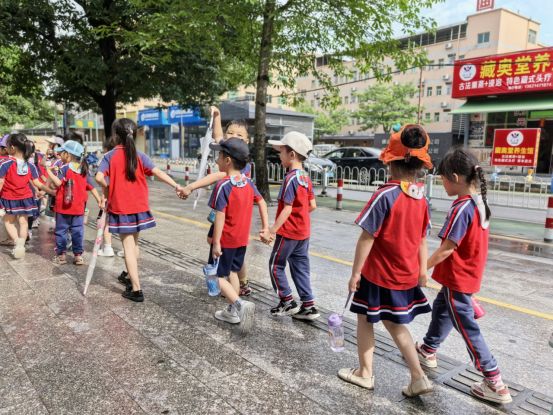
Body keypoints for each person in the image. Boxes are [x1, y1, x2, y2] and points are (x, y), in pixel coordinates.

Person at [337, 125, 434, 397]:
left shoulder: (385, 194)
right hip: (405, 275)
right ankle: (418, 376)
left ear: (390, 162)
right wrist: (422, 273)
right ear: (417, 165)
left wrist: (355, 274)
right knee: (395, 325)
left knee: (365, 320)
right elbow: (423, 240)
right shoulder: (421, 198)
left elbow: (367, 239)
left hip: (377, 275)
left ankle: (365, 374)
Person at [416, 147, 512, 404]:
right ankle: (428, 349)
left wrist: (421, 268)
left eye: (443, 178)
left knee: (467, 328)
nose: (441, 182)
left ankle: (495, 382)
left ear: (456, 178)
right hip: (465, 275)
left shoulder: (461, 207)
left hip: (458, 277)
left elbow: (448, 247)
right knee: (442, 310)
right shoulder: (479, 202)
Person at [96, 118, 183, 302]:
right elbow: (158, 173)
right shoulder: (140, 156)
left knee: (127, 246)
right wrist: (176, 185)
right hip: (139, 206)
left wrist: (110, 186)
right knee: (134, 244)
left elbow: (98, 177)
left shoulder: (109, 156)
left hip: (122, 208)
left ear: (115, 136)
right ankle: (129, 275)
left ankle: (135, 289)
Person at [179, 107, 254, 296]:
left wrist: (191, 186)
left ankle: (237, 284)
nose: (231, 136)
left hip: (229, 216)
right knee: (217, 242)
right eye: (230, 132)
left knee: (223, 247)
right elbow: (217, 135)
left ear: (246, 141)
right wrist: (218, 116)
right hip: (227, 211)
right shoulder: (230, 151)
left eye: (238, 134)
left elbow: (219, 175)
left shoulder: (240, 163)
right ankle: (238, 281)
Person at [207, 137, 269, 334]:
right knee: (233, 272)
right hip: (242, 240)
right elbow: (262, 202)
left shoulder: (223, 185)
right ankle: (232, 311)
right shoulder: (248, 183)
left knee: (218, 278)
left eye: (219, 155)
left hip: (226, 240)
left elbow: (220, 214)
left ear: (228, 161)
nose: (217, 159)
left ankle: (240, 305)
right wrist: (266, 227)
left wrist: (216, 242)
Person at [260, 132, 319, 320]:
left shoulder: (290, 178)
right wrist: (299, 218)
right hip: (303, 234)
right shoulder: (305, 178)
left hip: (289, 233)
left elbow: (287, 209)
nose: (279, 155)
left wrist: (271, 231)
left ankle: (287, 301)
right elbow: (312, 206)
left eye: (282, 151)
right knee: (300, 267)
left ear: (292, 154)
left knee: (275, 266)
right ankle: (308, 306)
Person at [46, 141, 101, 265]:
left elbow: (59, 183)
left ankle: (61, 255)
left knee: (61, 230)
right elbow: (91, 187)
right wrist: (99, 200)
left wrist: (49, 171)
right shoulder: (84, 170)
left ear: (68, 155)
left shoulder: (64, 168)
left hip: (63, 207)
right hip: (79, 208)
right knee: (77, 231)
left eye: (62, 153)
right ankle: (78, 256)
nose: (60, 155)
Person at [0, 134, 45, 258]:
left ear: (12, 148)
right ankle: (21, 244)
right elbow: (37, 182)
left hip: (9, 198)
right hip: (26, 198)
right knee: (24, 224)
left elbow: (1, 183)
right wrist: (50, 191)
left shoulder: (5, 163)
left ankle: (17, 243)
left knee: (9, 223)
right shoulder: (30, 164)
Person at [97, 136, 123, 257]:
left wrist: (103, 198)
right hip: (123, 196)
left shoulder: (107, 157)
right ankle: (126, 248)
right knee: (124, 222)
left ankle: (107, 248)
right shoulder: (125, 156)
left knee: (107, 221)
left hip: (110, 196)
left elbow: (103, 180)